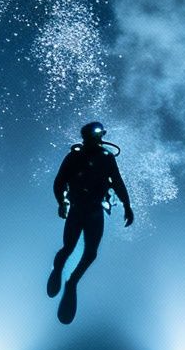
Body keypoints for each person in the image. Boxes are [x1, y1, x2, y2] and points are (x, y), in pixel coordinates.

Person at [49, 121, 133, 324]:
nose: (99, 140)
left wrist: (127, 205)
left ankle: (72, 281)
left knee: (91, 253)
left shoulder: (106, 158)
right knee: (68, 247)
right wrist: (62, 203)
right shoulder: (74, 157)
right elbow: (59, 182)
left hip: (94, 211)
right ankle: (59, 269)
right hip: (78, 209)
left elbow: (118, 182)